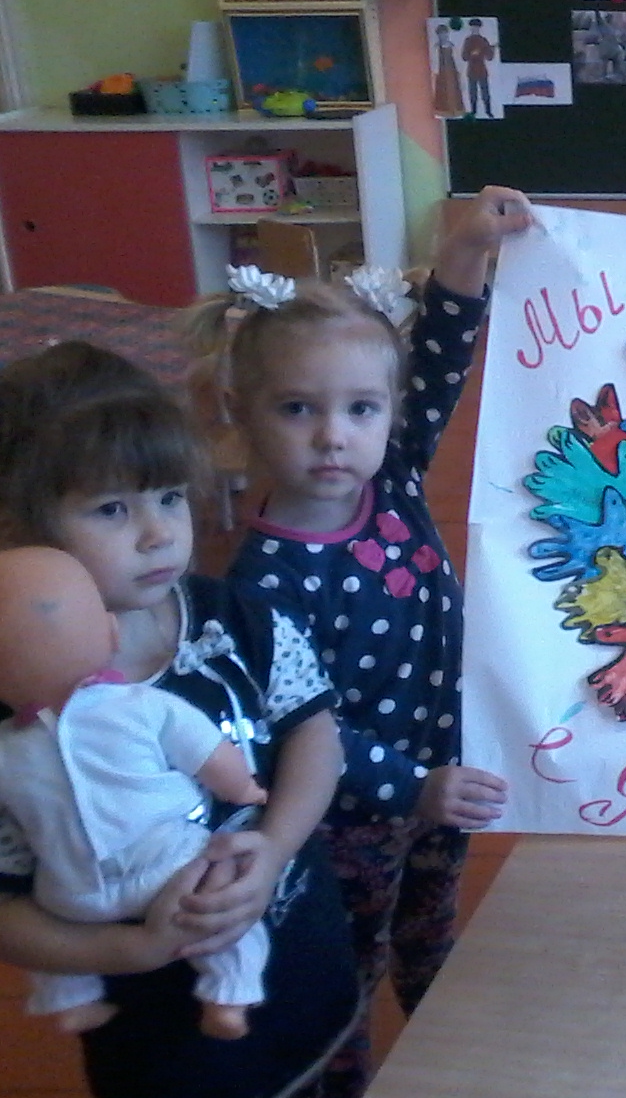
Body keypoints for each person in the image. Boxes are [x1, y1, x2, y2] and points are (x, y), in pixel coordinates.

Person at [186, 187, 531, 1097]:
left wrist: (465, 253)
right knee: (352, 969)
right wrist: (414, 787)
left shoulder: (398, 481)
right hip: (349, 821)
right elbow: (310, 728)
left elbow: (440, 363)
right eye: (299, 409)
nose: (335, 437)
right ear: (242, 411)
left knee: (433, 941)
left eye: (361, 410)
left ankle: (450, 1062)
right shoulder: (261, 584)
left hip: (440, 776)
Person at [0, 342, 358, 1098]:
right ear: (20, 526)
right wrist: (134, 951)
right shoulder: (15, 710)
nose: (159, 533)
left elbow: (315, 733)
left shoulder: (239, 617)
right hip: (163, 1040)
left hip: (303, 966)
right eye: (111, 509)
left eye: (168, 497)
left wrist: (273, 849)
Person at [0, 546, 273, 1040]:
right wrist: (244, 788)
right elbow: (208, 753)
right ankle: (228, 994)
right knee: (222, 896)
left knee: (49, 934)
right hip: (167, 866)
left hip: (71, 890)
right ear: (111, 634)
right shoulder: (142, 704)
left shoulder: (6, 751)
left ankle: (71, 998)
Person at [460, 18, 496, 118]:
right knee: (473, 92)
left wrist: (491, 49)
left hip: (482, 70)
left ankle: (488, 111)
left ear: (479, 28)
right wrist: (472, 54)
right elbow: (464, 57)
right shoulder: (468, 41)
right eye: (473, 27)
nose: (474, 29)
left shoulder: (483, 40)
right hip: (471, 70)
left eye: (476, 27)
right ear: (470, 28)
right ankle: (473, 111)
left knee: (485, 92)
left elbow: (489, 57)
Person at [431, 23, 465, 119]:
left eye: (445, 33)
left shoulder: (452, 46)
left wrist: (459, 71)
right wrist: (435, 73)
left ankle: (456, 110)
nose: (443, 36)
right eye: (441, 34)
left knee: (454, 90)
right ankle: (444, 111)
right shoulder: (436, 47)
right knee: (443, 91)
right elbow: (434, 61)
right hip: (441, 73)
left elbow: (457, 59)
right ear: (438, 35)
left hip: (452, 72)